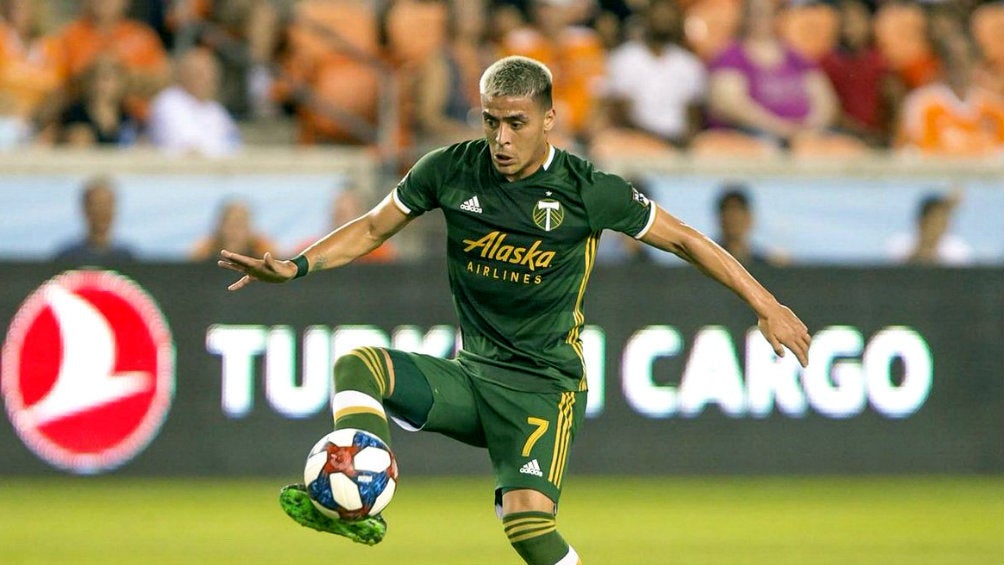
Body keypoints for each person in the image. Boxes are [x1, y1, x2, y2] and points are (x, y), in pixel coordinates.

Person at [218, 55, 811, 565]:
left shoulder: (587, 190)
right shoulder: (449, 169)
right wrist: (296, 266)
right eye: (491, 121)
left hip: (542, 387)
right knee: (358, 366)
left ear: (549, 119)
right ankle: (360, 492)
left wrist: (768, 304)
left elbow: (684, 238)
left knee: (527, 529)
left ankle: (356, 488)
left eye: (516, 124)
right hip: (474, 375)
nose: (501, 138)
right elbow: (374, 226)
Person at [706, 0, 839, 146]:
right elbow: (729, 104)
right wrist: (780, 128)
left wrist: (812, 127)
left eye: (766, 13)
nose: (760, 19)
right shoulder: (730, 55)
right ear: (743, 16)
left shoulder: (795, 55)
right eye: (754, 13)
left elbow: (825, 100)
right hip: (753, 134)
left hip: (805, 133)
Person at [600, 0, 707, 147]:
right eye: (657, 14)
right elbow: (620, 115)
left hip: (679, 143)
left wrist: (684, 141)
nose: (663, 18)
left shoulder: (689, 64)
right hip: (635, 140)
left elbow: (694, 116)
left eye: (668, 15)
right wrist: (658, 139)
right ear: (645, 18)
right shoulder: (624, 58)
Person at [148, 47, 242, 156]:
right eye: (200, 74)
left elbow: (234, 143)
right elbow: (190, 148)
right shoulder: (168, 102)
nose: (208, 79)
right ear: (184, 74)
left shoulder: (214, 108)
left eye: (211, 74)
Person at [54, 175, 136, 264]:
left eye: (106, 206)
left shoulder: (128, 258)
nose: (101, 213)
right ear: (84, 209)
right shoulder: (66, 258)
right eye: (96, 205)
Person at [887, 189, 974, 266]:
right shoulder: (900, 244)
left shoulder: (957, 249)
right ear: (921, 221)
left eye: (943, 222)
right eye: (934, 222)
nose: (938, 228)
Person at [715, 184, 787, 267]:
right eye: (729, 215)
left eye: (737, 216)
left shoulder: (765, 264)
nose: (733, 220)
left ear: (749, 219)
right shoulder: (707, 260)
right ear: (720, 218)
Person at [191, 197, 275, 261]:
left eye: (241, 225)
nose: (235, 231)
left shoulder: (263, 249)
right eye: (231, 225)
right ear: (220, 226)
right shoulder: (206, 249)